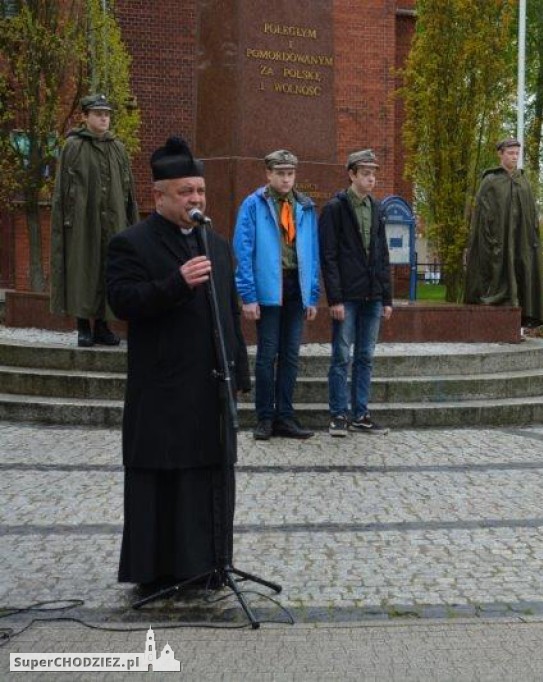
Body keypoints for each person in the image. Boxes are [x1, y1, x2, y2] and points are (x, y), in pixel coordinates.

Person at [107, 136, 250, 588]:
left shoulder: (217, 244)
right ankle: (161, 573)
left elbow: (229, 312)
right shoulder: (131, 244)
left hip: (209, 390)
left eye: (200, 191)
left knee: (208, 479)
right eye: (186, 192)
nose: (196, 199)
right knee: (167, 483)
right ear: (160, 196)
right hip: (163, 392)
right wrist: (174, 284)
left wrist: (239, 370)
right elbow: (122, 302)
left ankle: (209, 566)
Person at [233, 150, 319, 440]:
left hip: (296, 287)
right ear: (268, 174)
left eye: (290, 173)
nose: (285, 179)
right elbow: (243, 251)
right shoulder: (254, 204)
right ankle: (265, 417)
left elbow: (312, 253)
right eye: (280, 173)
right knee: (267, 354)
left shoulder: (305, 206)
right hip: (269, 289)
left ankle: (285, 415)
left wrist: (312, 295)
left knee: (291, 356)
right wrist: (248, 295)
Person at [51, 94, 139, 347]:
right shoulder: (74, 146)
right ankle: (82, 325)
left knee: (109, 268)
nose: (104, 118)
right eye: (98, 113)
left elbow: (128, 191)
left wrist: (130, 222)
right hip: (82, 220)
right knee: (83, 266)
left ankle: (102, 325)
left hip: (113, 220)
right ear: (85, 116)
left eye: (107, 114)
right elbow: (62, 190)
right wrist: (67, 220)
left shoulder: (117, 148)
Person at [318, 149, 392, 436]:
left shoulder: (377, 207)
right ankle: (338, 414)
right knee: (340, 356)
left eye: (373, 173)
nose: (371, 179)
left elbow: (382, 254)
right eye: (365, 173)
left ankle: (361, 413)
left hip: (372, 296)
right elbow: (329, 256)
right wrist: (334, 298)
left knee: (365, 356)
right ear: (351, 174)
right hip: (346, 297)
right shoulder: (335, 208)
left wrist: (386, 297)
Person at [464, 138, 543, 329]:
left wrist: (531, 240)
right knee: (497, 274)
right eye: (510, 153)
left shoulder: (523, 182)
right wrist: (489, 239)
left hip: (520, 243)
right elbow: (481, 216)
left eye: (517, 153)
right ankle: (491, 319)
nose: (514, 157)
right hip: (497, 243)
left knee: (521, 273)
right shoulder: (490, 181)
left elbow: (531, 216)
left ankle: (519, 323)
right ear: (500, 154)